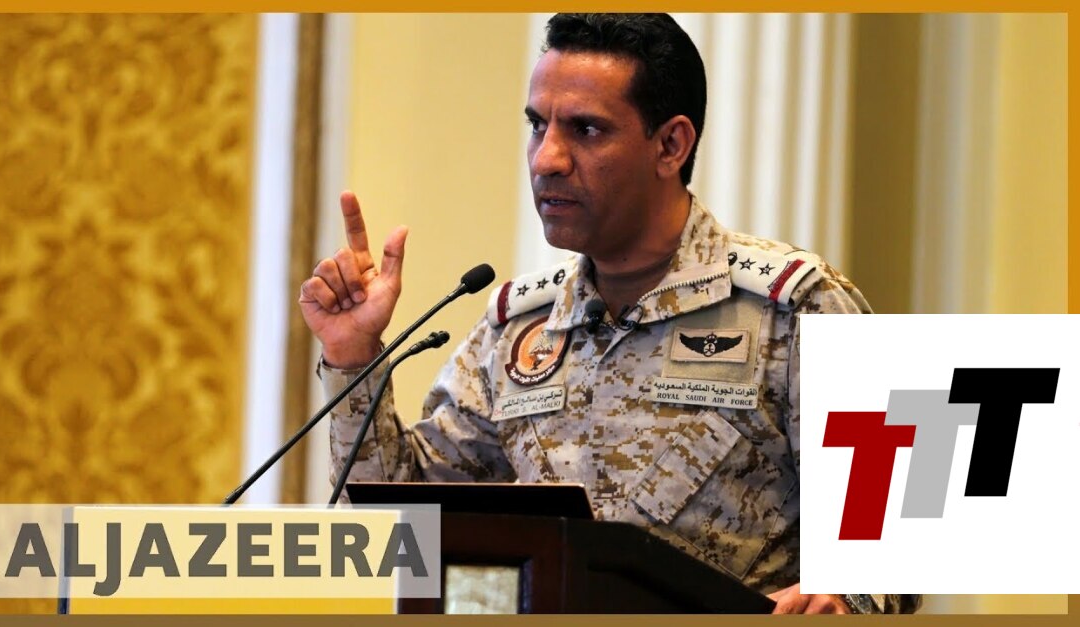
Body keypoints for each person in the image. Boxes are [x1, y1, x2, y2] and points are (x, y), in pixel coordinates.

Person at [299, 13, 920, 615]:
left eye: (586, 130)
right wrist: (353, 355)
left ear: (670, 145)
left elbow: (900, 538)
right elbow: (401, 526)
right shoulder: (518, 326)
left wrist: (843, 596)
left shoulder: (798, 305)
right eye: (537, 125)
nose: (546, 158)